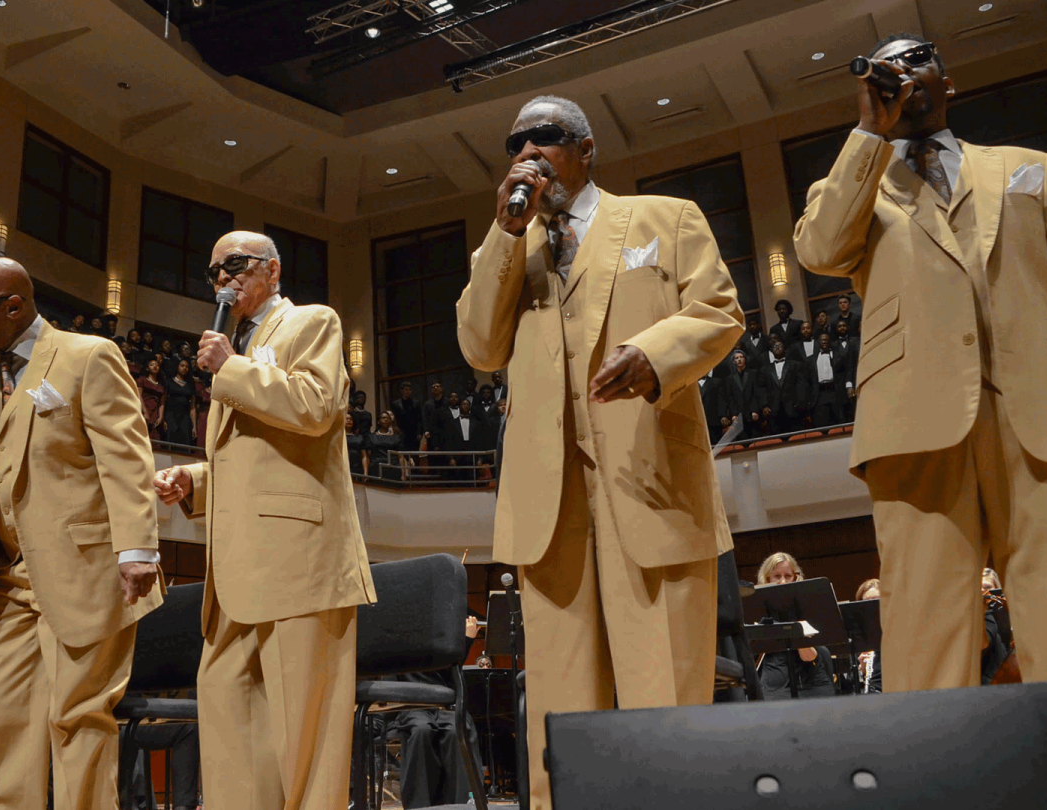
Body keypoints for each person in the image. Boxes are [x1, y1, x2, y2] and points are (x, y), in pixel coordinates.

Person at [793, 32, 1047, 800]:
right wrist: (866, 135)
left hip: (1038, 419)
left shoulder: (1028, 169)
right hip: (915, 430)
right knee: (925, 634)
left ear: (950, 82)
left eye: (916, 62)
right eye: (887, 68)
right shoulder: (855, 181)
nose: (901, 76)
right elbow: (818, 249)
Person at [456, 94, 742, 808]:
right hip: (548, 504)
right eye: (515, 142)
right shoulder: (505, 248)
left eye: (545, 137)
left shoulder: (663, 218)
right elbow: (479, 347)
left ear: (587, 150)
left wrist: (654, 354)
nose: (528, 152)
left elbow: (717, 312)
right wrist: (504, 235)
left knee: (665, 701)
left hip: (650, 481)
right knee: (564, 711)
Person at [0, 257, 163, 810]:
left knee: (78, 717)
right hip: (7, 581)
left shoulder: (87, 355)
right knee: (3, 722)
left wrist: (137, 549)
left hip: (87, 571)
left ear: (14, 305)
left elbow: (126, 458)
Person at [153, 230, 376, 810]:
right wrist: (195, 482)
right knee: (227, 718)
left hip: (299, 561)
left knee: (304, 736)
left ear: (273, 271)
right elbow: (249, 458)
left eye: (235, 264)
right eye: (213, 271)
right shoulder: (235, 347)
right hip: (233, 570)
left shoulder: (312, 323)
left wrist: (230, 369)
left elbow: (317, 405)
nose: (222, 278)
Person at [388, 615, 482, 808]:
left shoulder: (443, 627)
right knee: (421, 730)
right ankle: (419, 806)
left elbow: (450, 669)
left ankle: (463, 804)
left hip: (443, 704)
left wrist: (466, 639)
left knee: (456, 732)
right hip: (412, 704)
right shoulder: (397, 630)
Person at [755, 553, 836, 699]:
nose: (783, 582)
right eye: (777, 576)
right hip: (775, 680)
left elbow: (808, 656)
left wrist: (797, 628)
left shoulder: (806, 605)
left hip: (811, 678)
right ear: (767, 579)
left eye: (788, 576)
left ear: (795, 577)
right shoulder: (759, 609)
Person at [759, 339, 807, 435]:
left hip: (793, 408)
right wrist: (764, 405)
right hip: (774, 409)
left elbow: (801, 385)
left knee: (796, 437)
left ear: (785, 349)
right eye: (775, 346)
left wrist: (799, 402)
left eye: (780, 346)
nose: (777, 348)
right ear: (771, 351)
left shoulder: (795, 365)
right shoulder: (765, 369)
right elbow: (761, 388)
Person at [808, 332, 846, 428]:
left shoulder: (839, 356)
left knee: (840, 422)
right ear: (818, 342)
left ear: (830, 342)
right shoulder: (812, 359)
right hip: (820, 393)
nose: (824, 342)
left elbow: (845, 372)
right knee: (822, 423)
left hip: (835, 391)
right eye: (822, 340)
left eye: (826, 340)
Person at [162, 358, 197, 446]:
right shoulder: (169, 382)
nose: (184, 368)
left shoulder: (190, 386)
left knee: (184, 445)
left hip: (185, 418)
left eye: (186, 367)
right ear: (177, 367)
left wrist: (194, 427)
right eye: (182, 366)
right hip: (170, 416)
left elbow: (192, 407)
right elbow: (163, 401)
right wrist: (163, 419)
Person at [136, 358, 167, 441]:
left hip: (155, 411)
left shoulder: (161, 385)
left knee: (154, 435)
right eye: (152, 365)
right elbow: (139, 395)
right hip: (144, 407)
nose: (155, 367)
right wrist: (144, 411)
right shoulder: (142, 380)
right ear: (147, 368)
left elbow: (162, 402)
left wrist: (161, 416)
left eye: (157, 365)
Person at [368, 410, 404, 480]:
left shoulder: (396, 437)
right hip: (376, 468)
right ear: (378, 421)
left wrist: (403, 474)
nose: (386, 420)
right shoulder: (371, 437)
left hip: (393, 469)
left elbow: (401, 457)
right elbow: (368, 455)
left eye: (388, 418)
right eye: (383, 418)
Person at [391, 381, 421, 452]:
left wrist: (419, 432)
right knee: (402, 452)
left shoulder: (416, 403)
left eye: (409, 389)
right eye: (406, 389)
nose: (408, 391)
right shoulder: (396, 404)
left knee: (414, 453)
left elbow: (419, 419)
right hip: (401, 432)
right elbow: (394, 419)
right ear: (402, 391)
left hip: (413, 432)